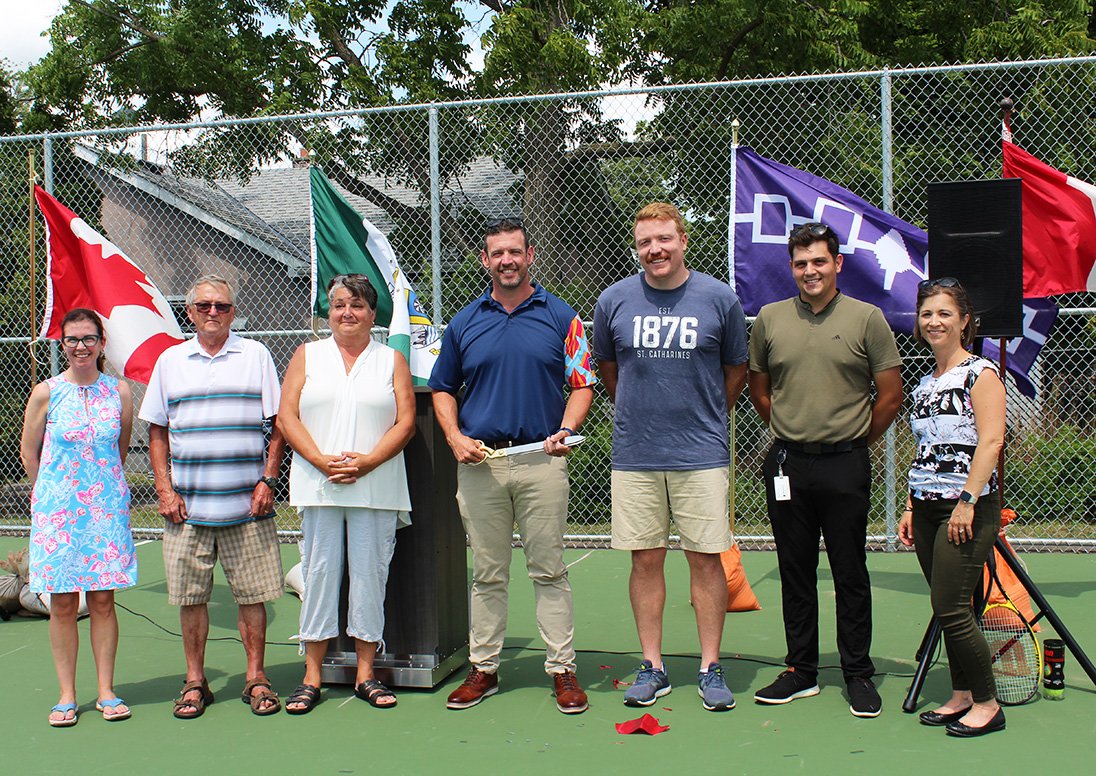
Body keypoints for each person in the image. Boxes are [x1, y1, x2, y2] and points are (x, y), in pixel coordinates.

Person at [429, 217, 596, 714]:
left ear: (530, 256)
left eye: (515, 252)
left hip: (541, 460)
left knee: (548, 569)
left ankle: (562, 670)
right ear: (485, 260)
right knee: (488, 573)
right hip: (482, 463)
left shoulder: (562, 317)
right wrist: (455, 438)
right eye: (497, 253)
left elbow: (582, 383)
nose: (507, 260)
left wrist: (565, 429)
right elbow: (442, 388)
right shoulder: (463, 324)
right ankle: (484, 670)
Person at [593, 202, 748, 712]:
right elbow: (610, 372)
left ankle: (709, 666)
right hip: (636, 453)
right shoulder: (614, 299)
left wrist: (700, 416)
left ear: (683, 239)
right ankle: (653, 666)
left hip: (701, 453)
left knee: (706, 560)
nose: (654, 250)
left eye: (664, 239)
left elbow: (734, 372)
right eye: (644, 243)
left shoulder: (718, 298)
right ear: (636, 248)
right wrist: (646, 414)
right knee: (646, 560)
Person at [748, 222, 902, 717]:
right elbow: (760, 390)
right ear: (790, 268)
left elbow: (890, 393)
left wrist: (854, 441)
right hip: (789, 463)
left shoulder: (867, 318)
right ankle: (801, 671)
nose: (810, 271)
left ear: (837, 263)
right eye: (800, 263)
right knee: (795, 570)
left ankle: (858, 673)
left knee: (849, 571)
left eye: (819, 261)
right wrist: (796, 433)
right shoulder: (770, 319)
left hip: (845, 464)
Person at [139, 275, 286, 719]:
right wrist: (164, 490)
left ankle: (256, 678)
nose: (213, 313)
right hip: (187, 508)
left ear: (233, 312)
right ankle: (195, 681)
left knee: (252, 595)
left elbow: (279, 424)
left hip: (248, 505)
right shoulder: (170, 360)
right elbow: (157, 430)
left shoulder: (256, 355)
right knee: (191, 597)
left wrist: (268, 480)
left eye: (222, 306)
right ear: (190, 311)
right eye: (204, 305)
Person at [278, 274, 415, 714]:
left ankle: (365, 674)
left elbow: (406, 422)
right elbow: (287, 416)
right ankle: (312, 676)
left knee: (370, 577)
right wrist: (320, 460)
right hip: (319, 486)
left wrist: (369, 461)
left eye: (356, 305)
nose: (347, 313)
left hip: (375, 487)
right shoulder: (307, 354)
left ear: (372, 314)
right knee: (318, 576)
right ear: (329, 311)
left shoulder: (391, 359)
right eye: (338, 304)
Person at [898, 278, 1006, 737]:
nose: (934, 321)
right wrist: (908, 505)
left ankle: (987, 703)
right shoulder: (926, 381)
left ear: (964, 321)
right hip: (925, 507)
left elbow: (991, 441)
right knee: (952, 607)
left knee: (952, 607)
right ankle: (961, 694)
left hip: (966, 509)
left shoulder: (981, 373)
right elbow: (925, 447)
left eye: (944, 313)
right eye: (927, 313)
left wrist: (966, 502)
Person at [20, 308, 137, 726]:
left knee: (103, 601)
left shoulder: (119, 392)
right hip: (58, 515)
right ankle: (66, 695)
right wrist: (52, 496)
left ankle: (106, 691)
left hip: (104, 511)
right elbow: (28, 453)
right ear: (63, 344)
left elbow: (119, 450)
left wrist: (100, 489)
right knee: (64, 604)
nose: (80, 347)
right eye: (72, 340)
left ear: (102, 343)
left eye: (89, 339)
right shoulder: (46, 392)